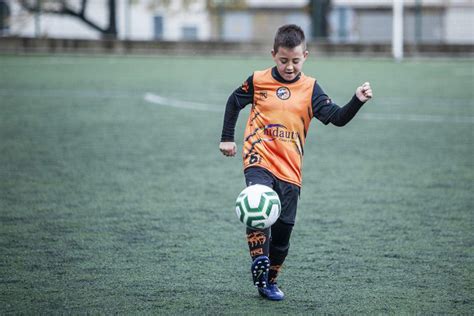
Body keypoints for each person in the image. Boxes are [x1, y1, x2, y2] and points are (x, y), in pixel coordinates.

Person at [219, 24, 373, 301]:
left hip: (290, 170)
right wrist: (227, 138)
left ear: (306, 56)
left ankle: (270, 279)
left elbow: (336, 117)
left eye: (295, 60)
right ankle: (258, 260)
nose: (289, 67)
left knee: (283, 232)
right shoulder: (258, 80)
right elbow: (233, 102)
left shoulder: (311, 88)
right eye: (283, 60)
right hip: (259, 158)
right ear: (273, 55)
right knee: (257, 201)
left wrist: (357, 100)